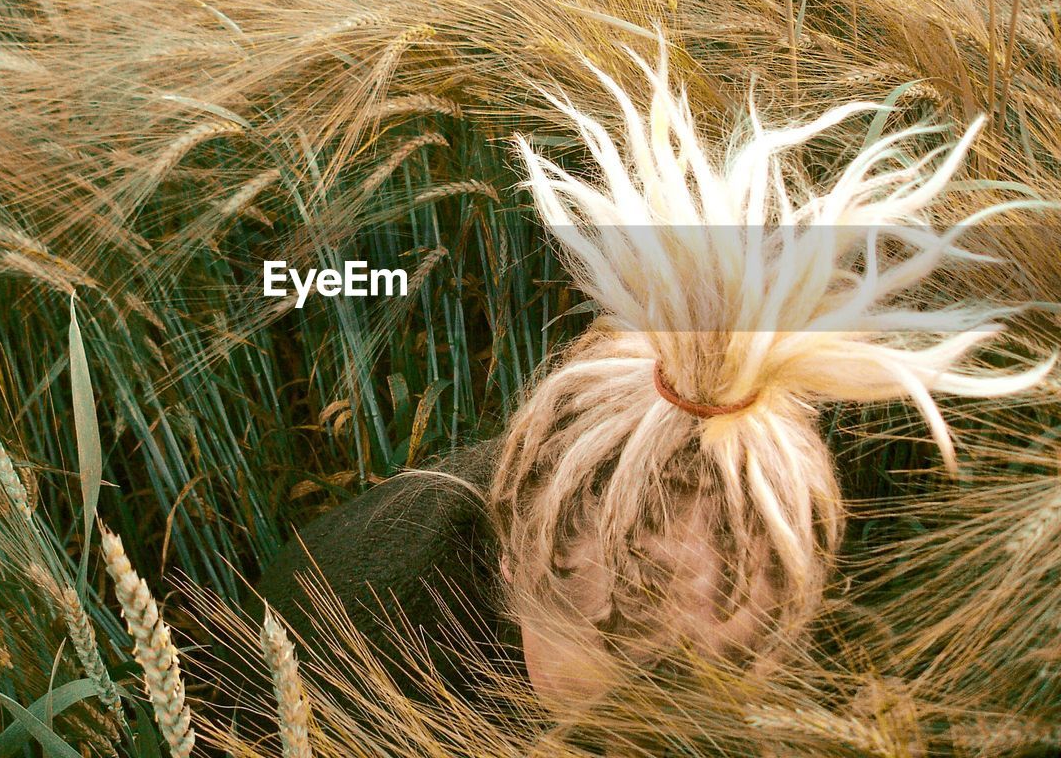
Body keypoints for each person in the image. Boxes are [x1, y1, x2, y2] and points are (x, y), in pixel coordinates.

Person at [210, 39, 1053, 750]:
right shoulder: (362, 621)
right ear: (507, 563)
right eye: (625, 684)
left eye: (726, 673)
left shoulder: (820, 562)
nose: (659, 729)